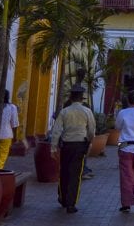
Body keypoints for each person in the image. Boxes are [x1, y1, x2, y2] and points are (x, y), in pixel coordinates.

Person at [49, 85, 96, 214]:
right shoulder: (87, 111)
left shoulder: (65, 111)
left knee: (64, 171)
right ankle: (71, 203)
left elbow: (57, 130)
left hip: (66, 145)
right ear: (82, 98)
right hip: (80, 145)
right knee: (75, 174)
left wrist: (53, 148)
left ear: (71, 97)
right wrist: (90, 141)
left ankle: (63, 198)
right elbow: (91, 130)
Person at [0, 90, 20, 169]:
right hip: (6, 135)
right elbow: (14, 124)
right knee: (1, 157)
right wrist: (15, 137)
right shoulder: (12, 107)